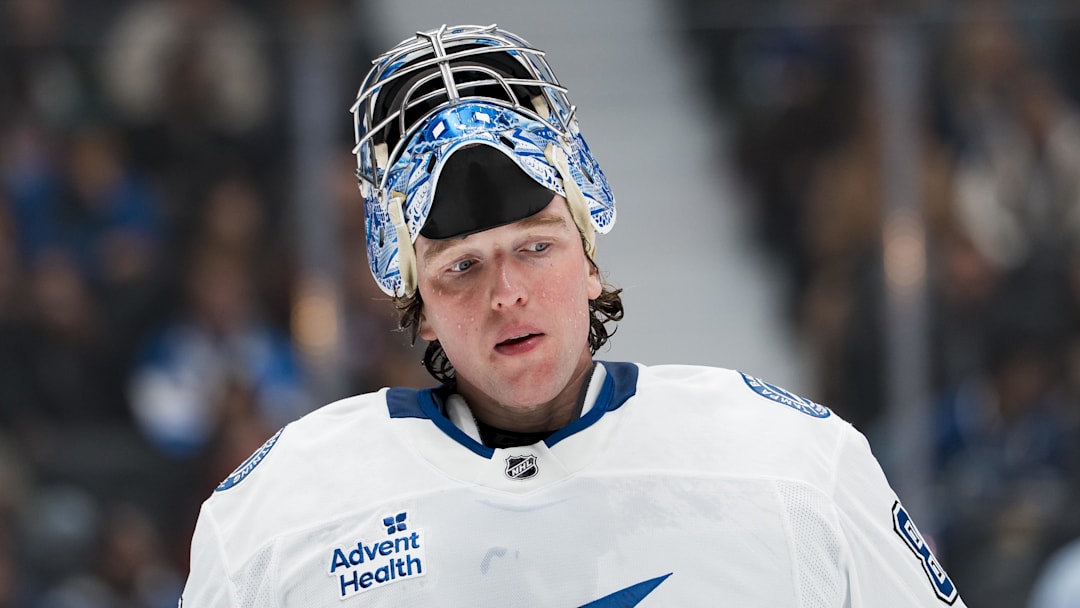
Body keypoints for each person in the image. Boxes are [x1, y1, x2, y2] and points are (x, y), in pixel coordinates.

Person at [179, 24, 966, 606]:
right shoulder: (277, 520)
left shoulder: (793, 465)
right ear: (417, 311)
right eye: (461, 268)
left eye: (536, 248)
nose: (506, 294)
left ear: (590, 263)